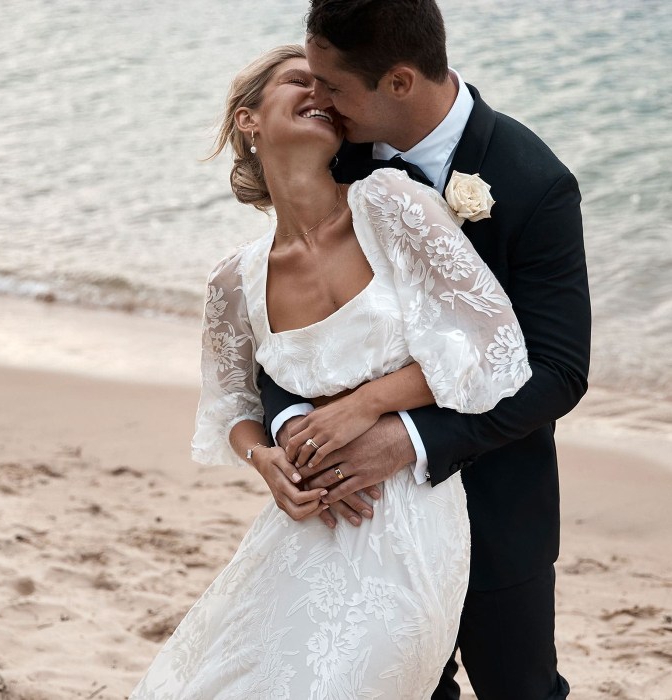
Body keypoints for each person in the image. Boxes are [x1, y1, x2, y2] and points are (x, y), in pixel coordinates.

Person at [130, 44, 531, 699]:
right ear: (248, 120)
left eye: (328, 86)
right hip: (303, 524)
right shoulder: (234, 281)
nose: (320, 93)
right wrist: (266, 462)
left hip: (408, 518)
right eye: (298, 81)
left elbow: (491, 345)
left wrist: (366, 403)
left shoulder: (393, 205)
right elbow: (233, 407)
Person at [257, 2, 591, 699]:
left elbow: (558, 371)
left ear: (400, 82)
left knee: (519, 688)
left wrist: (408, 438)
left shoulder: (533, 183)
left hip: (497, 503)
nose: (315, 99)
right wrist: (291, 427)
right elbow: (280, 315)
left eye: (331, 84)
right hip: (362, 514)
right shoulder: (332, 156)